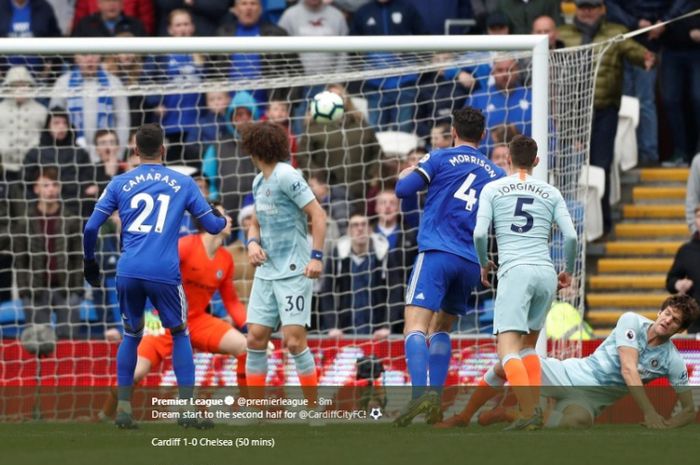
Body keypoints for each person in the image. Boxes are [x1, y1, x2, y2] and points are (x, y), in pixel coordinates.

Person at [82, 123, 226, 429]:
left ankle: (123, 409)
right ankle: (186, 410)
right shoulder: (183, 182)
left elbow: (91, 227)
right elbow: (214, 227)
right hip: (164, 272)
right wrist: (221, 215)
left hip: (128, 270)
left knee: (132, 336)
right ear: (164, 149)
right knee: (180, 333)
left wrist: (90, 263)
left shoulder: (119, 182)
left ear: (134, 150)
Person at [393, 107, 506, 427]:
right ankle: (436, 403)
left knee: (415, 326)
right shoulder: (496, 174)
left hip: (437, 253)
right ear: (483, 135)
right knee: (442, 328)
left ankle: (419, 397)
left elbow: (403, 191)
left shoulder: (440, 157)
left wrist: (406, 172)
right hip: (471, 262)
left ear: (453, 131)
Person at [442, 295, 700, 429]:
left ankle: (510, 414)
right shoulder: (631, 321)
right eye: (667, 313)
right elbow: (628, 369)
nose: (667, 320)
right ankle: (464, 416)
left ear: (681, 330)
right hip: (570, 373)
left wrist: (667, 426)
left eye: (675, 320)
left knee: (577, 423)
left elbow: (689, 410)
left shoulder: (672, 360)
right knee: (510, 362)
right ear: (659, 311)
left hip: (592, 400)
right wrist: (650, 412)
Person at [99, 202, 248, 420]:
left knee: (245, 346)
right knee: (135, 373)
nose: (231, 219)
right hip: (163, 322)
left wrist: (250, 328)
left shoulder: (225, 259)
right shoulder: (185, 246)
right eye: (225, 214)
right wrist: (148, 313)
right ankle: (103, 416)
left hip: (196, 321)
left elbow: (232, 302)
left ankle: (248, 409)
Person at [472, 135, 577, 430]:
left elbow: (480, 234)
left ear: (507, 160)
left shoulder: (493, 188)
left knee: (507, 351)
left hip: (515, 271)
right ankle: (534, 411)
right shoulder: (551, 191)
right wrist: (567, 270)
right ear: (536, 162)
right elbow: (571, 236)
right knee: (529, 346)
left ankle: (529, 411)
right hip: (545, 272)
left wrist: (483, 263)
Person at [241, 122, 327, 401]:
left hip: (294, 270)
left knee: (293, 340)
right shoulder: (258, 181)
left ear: (255, 149)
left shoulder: (287, 175)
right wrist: (252, 243)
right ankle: (254, 411)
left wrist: (316, 257)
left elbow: (318, 214)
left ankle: (313, 411)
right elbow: (255, 224)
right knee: (255, 337)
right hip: (267, 271)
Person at [558, 0, 654, 236]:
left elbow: (637, 53)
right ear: (576, 10)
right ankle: (570, 223)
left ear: (602, 9)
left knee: (601, 165)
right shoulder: (562, 34)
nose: (587, 11)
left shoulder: (615, 32)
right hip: (568, 113)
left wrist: (646, 58)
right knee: (569, 168)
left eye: (592, 7)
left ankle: (602, 223)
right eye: (583, 7)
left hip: (604, 111)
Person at [15, 167, 84, 339]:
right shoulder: (25, 221)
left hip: (65, 288)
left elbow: (77, 257)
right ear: (36, 189)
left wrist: (76, 289)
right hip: (36, 289)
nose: (51, 189)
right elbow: (20, 260)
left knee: (69, 341)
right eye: (45, 185)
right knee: (39, 342)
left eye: (54, 184)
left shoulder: (71, 220)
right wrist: (25, 291)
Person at [319, 213, 390, 337]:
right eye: (355, 225)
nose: (360, 228)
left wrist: (387, 325)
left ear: (370, 230)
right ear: (348, 231)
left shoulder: (383, 253)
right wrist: (332, 326)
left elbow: (395, 291)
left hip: (377, 328)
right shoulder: (337, 254)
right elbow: (327, 292)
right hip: (345, 328)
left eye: (364, 224)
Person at [49, 53, 130, 159]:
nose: (90, 59)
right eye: (84, 55)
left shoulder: (114, 82)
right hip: (71, 154)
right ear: (76, 58)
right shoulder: (63, 82)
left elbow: (123, 121)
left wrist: (118, 154)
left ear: (100, 56)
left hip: (107, 155)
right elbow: (53, 119)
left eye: (94, 54)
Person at [0, 66, 47, 181]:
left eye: (23, 84)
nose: (20, 89)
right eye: (15, 85)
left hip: (32, 167)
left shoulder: (41, 111)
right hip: (4, 167)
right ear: (8, 87)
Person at [666, 205, 700, 334]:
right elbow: (670, 281)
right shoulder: (686, 251)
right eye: (698, 216)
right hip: (696, 321)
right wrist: (678, 284)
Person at [72, 0, 146, 36]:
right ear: (99, 4)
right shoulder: (85, 25)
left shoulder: (135, 25)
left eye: (115, 1)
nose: (111, 5)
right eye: (107, 1)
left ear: (122, 4)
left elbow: (146, 55)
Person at [496, 0, 560, 34]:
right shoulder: (503, 3)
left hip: (542, 48)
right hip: (512, 49)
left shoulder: (549, 2)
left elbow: (556, 26)